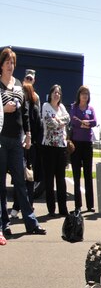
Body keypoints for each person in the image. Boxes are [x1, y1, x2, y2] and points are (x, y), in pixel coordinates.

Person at [0, 47, 45, 237]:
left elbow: (25, 112)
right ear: (1, 65)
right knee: (0, 184)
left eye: (12, 63)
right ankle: (3, 224)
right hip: (1, 139)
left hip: (17, 140)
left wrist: (27, 134)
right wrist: (3, 108)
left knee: (21, 182)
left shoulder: (18, 84)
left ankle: (31, 223)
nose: (10, 66)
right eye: (7, 62)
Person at [40, 84, 72, 218]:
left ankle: (63, 208)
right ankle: (51, 209)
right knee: (49, 179)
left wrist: (58, 120)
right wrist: (60, 122)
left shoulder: (62, 107)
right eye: (54, 92)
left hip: (61, 147)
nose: (56, 94)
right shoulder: (46, 106)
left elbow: (68, 118)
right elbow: (49, 123)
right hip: (48, 147)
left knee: (61, 179)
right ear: (50, 94)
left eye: (58, 93)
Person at [69, 85, 98, 214]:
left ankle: (90, 205)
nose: (84, 96)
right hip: (76, 144)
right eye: (82, 94)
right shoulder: (74, 107)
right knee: (76, 175)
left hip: (87, 144)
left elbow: (94, 122)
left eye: (87, 94)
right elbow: (74, 121)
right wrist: (85, 123)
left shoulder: (90, 109)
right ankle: (78, 205)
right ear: (79, 95)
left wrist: (83, 123)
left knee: (87, 175)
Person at [22, 69, 42, 202]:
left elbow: (37, 120)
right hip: (18, 139)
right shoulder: (19, 93)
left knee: (28, 174)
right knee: (19, 174)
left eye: (31, 79)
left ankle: (28, 203)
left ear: (34, 81)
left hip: (30, 142)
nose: (29, 80)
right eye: (27, 78)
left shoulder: (36, 98)